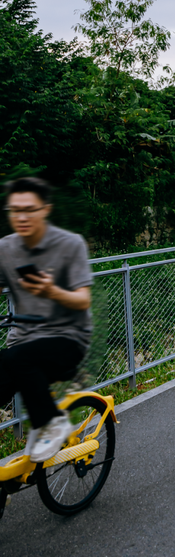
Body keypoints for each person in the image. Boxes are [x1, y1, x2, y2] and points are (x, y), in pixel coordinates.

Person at [0, 177, 93, 462]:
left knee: (17, 359)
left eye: (29, 209)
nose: (22, 217)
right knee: (14, 361)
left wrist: (51, 290)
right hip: (23, 339)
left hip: (68, 338)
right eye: (15, 210)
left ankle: (52, 421)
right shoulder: (5, 247)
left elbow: (83, 299)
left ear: (45, 209)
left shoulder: (70, 244)